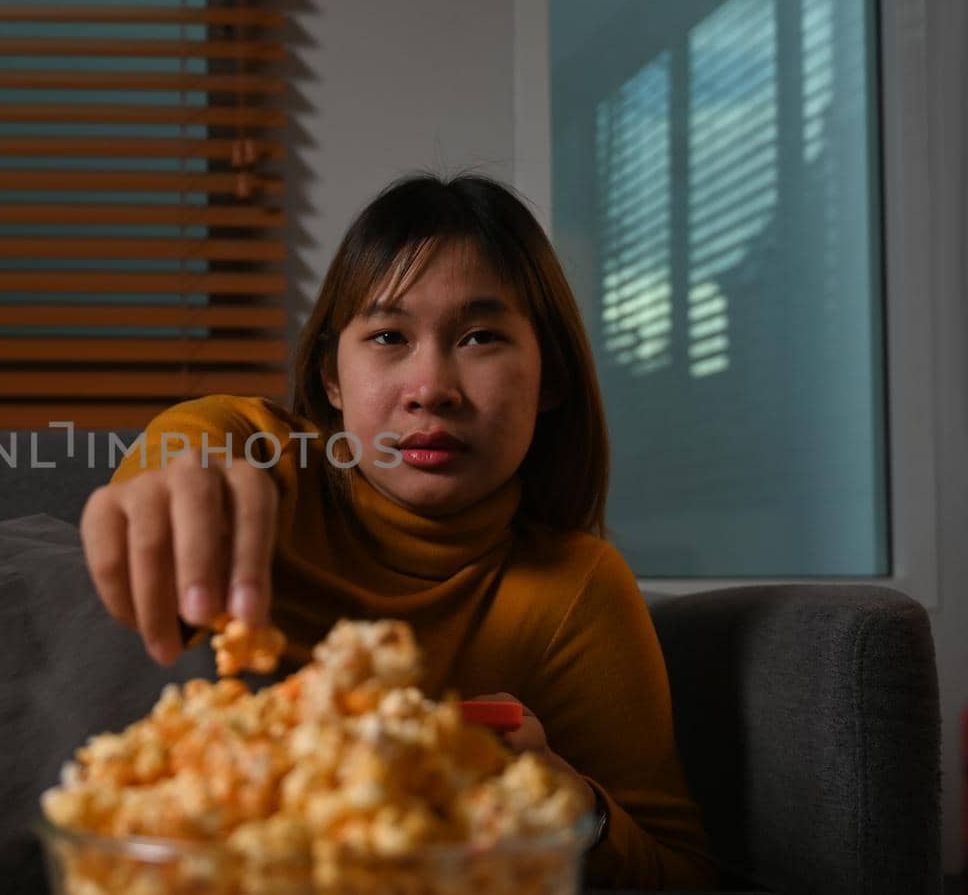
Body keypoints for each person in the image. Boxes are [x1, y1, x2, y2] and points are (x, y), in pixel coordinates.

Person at [78, 172, 718, 889]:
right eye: (388, 335)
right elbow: (187, 456)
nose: (430, 385)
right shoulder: (250, 454)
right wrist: (173, 494)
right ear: (332, 380)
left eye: (480, 337)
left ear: (552, 379)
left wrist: (572, 808)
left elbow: (678, 872)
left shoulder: (577, 591)